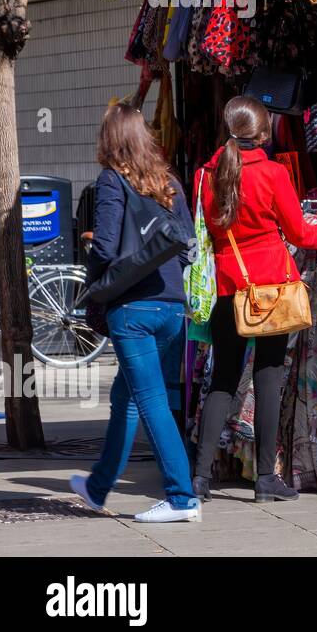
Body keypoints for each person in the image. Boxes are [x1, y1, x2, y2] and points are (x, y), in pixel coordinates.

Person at [193, 95, 317, 503]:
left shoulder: (204, 175)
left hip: (225, 287)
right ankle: (265, 479)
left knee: (223, 379)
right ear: (264, 132)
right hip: (271, 288)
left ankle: (200, 478)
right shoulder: (272, 173)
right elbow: (302, 234)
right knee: (269, 380)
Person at [70, 103, 201, 523]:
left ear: (110, 139)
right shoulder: (169, 184)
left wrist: (95, 288)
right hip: (171, 306)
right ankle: (97, 487)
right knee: (125, 399)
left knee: (150, 402)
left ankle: (182, 499)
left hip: (133, 310)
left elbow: (106, 247)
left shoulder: (113, 180)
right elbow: (187, 244)